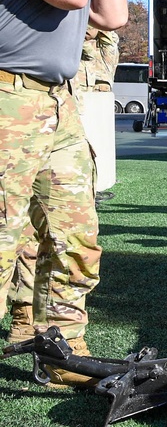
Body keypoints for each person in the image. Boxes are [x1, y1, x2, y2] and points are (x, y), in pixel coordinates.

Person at [0, 0, 133, 385]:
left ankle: (63, 351)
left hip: (57, 103)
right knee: (4, 238)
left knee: (75, 233)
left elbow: (113, 11)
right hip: (10, 102)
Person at [7, 27, 120, 345]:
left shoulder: (94, 56)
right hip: (14, 109)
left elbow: (111, 19)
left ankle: (60, 341)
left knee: (70, 237)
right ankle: (23, 313)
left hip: (63, 122)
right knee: (16, 235)